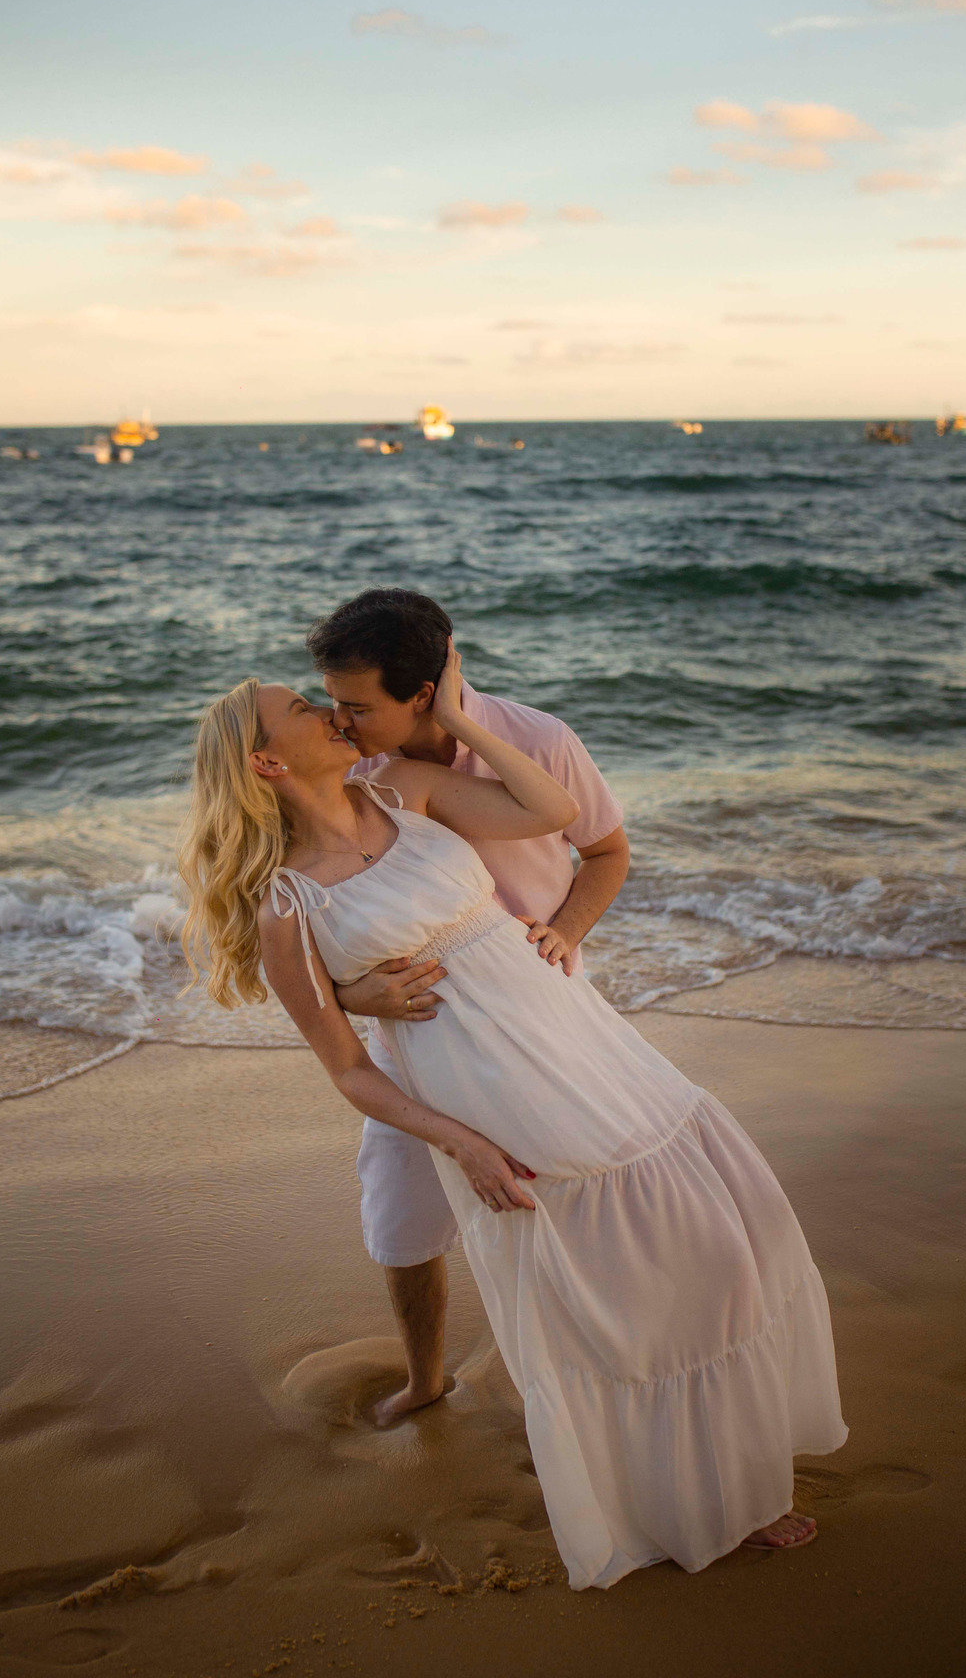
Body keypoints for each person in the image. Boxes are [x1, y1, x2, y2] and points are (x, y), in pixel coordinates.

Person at [180, 647, 847, 1591]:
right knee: (611, 1294)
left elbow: (554, 815)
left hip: (575, 1032)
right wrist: (459, 1137)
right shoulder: (285, 901)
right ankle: (686, 1502)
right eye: (301, 707)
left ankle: (733, 1474)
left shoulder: (403, 788)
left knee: (716, 1240)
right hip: (483, 1092)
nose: (327, 710)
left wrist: (454, 719)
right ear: (265, 762)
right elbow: (347, 1073)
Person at [305, 588, 629, 1428]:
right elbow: (316, 920)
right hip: (414, 1030)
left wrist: (564, 931)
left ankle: (607, 1379)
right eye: (331, 703)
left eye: (356, 706)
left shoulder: (537, 740)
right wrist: (353, 993)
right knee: (398, 1210)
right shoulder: (357, 774)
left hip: (539, 1012)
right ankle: (426, 1378)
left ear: (423, 694)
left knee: (574, 1201)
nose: (338, 724)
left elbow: (603, 849)